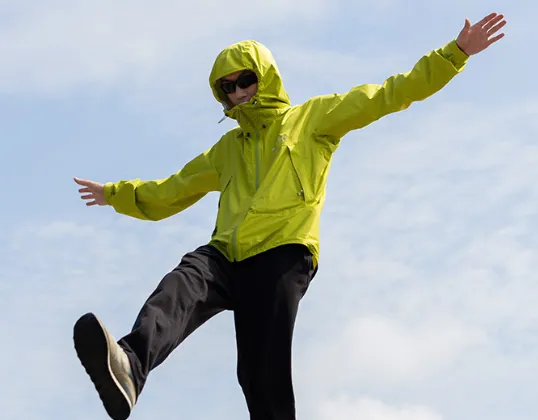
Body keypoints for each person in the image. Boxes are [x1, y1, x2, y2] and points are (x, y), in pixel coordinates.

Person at [73, 12, 506, 420]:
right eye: (228, 88)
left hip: (282, 252)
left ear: (266, 78)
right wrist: (115, 194)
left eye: (246, 81)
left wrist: (454, 54)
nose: (239, 93)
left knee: (259, 373)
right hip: (225, 255)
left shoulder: (313, 119)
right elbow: (171, 190)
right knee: (180, 287)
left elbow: (390, 94)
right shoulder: (226, 150)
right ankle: (129, 366)